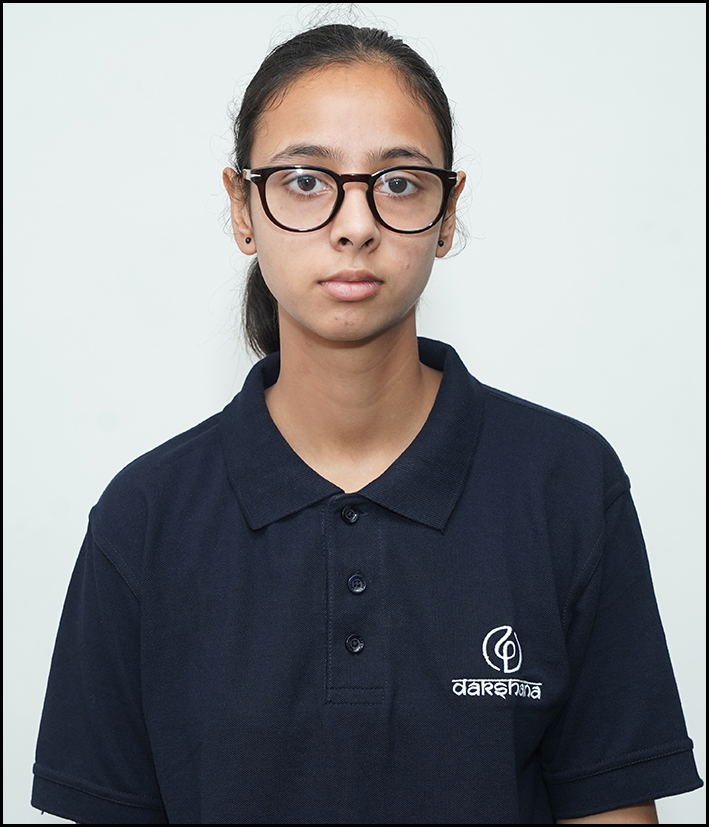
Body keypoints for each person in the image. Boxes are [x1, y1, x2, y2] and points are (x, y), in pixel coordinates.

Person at [31, 21, 702, 825]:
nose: (355, 224)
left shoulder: (565, 483)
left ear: (447, 213)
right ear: (242, 208)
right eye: (305, 180)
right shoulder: (145, 516)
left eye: (399, 182)